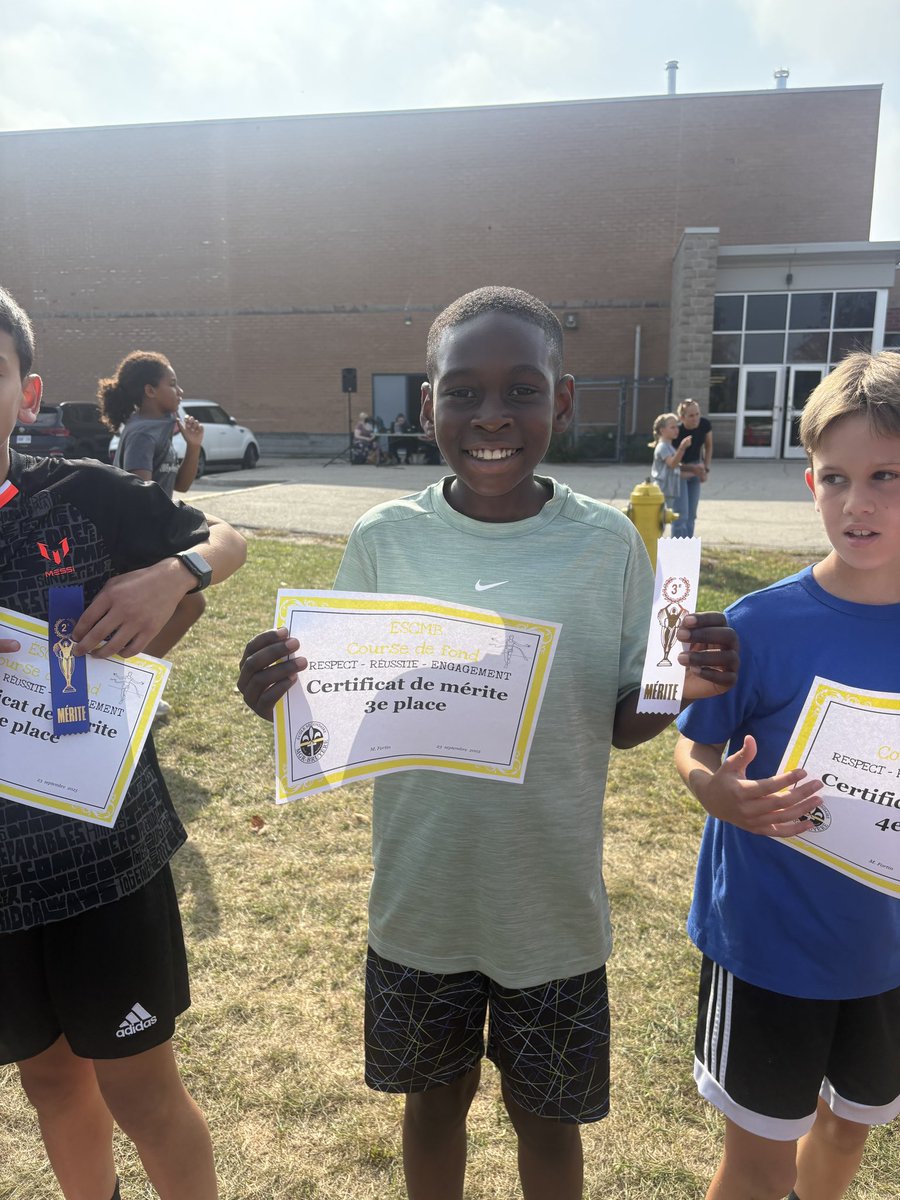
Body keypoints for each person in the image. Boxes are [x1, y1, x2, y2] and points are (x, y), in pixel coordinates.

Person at [238, 286, 738, 1200]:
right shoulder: (385, 537)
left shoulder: (610, 546)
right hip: (421, 900)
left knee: (547, 1122)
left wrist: (681, 681)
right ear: (429, 404)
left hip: (548, 910)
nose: (492, 416)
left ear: (566, 399)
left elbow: (627, 720)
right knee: (432, 1107)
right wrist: (276, 694)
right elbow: (341, 703)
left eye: (523, 391)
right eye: (462, 393)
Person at [0, 284, 247, 1200]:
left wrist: (169, 579)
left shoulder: (82, 493)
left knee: (140, 1088)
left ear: (28, 393)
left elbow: (226, 538)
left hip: (104, 861)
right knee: (50, 1081)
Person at [674, 350, 900, 1200]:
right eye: (836, 478)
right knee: (761, 1158)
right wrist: (718, 793)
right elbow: (692, 747)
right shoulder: (759, 625)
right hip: (772, 949)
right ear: (810, 485)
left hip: (887, 951)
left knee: (847, 1135)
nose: (859, 502)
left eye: (886, 474)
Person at [99, 351, 207, 662]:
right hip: (136, 540)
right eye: (172, 384)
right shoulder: (143, 433)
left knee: (182, 607)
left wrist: (193, 445)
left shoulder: (160, 426)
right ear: (150, 390)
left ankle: (134, 677)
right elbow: (139, 493)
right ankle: (133, 678)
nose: (180, 391)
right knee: (189, 605)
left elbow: (181, 485)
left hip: (152, 536)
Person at [671, 398, 713, 538]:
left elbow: (708, 446)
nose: (695, 419)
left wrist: (705, 469)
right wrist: (693, 469)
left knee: (691, 515)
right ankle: (676, 551)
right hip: (680, 472)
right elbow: (673, 463)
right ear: (682, 418)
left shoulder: (704, 425)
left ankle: (689, 550)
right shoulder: (677, 432)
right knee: (680, 515)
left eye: (697, 414)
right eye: (691, 416)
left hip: (696, 467)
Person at [649, 411, 693, 516]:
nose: (676, 430)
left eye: (677, 427)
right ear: (662, 430)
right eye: (672, 427)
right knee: (660, 520)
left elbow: (675, 469)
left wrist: (693, 473)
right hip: (663, 490)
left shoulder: (670, 447)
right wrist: (682, 447)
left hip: (670, 491)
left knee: (664, 520)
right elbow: (672, 464)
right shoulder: (662, 447)